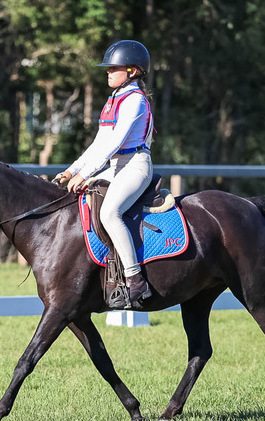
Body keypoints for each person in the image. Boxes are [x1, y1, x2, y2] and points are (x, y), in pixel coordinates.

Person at [56, 40, 155, 309]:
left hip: (135, 166)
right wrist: (72, 170)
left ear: (133, 71)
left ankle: (135, 279)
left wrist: (87, 174)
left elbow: (116, 142)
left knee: (110, 213)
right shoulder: (113, 99)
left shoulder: (134, 101)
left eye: (114, 67)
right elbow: (100, 143)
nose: (108, 72)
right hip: (115, 167)